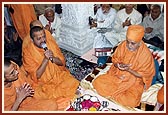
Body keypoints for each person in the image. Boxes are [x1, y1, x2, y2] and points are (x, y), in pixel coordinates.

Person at [92, 25, 155, 107]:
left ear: (140, 42)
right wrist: (118, 65)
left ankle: (113, 96)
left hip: (134, 82)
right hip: (117, 76)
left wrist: (129, 70)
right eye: (128, 41)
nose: (129, 45)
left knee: (131, 101)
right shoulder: (123, 45)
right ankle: (115, 97)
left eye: (133, 43)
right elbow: (114, 59)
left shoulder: (145, 54)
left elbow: (144, 75)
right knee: (98, 82)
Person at [22, 26, 79, 102]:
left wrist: (52, 58)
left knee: (73, 82)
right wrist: (46, 59)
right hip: (43, 84)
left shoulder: (50, 44)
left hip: (58, 76)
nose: (43, 40)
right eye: (39, 39)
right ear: (32, 40)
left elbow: (62, 63)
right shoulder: (28, 52)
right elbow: (37, 75)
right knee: (43, 97)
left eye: (44, 37)